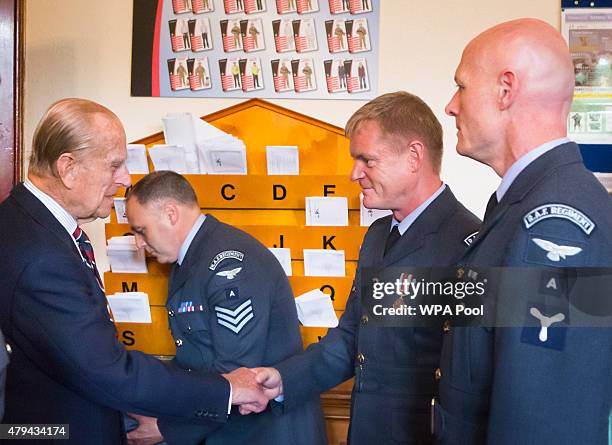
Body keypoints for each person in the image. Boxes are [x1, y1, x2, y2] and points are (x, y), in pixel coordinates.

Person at [0, 98, 267, 444]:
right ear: (67, 168)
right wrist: (227, 388)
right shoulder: (40, 253)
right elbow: (107, 370)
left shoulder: (28, 224)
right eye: (114, 165)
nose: (125, 179)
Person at [249, 92, 481, 445]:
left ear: (414, 156)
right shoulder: (378, 235)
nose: (354, 173)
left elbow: (469, 379)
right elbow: (352, 337)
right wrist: (284, 379)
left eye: (367, 160)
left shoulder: (467, 242)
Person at [436, 18, 612, 444]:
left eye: (461, 86)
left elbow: (541, 417)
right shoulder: (523, 203)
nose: (451, 105)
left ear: (505, 90)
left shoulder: (558, 221)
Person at [124, 171, 326, 445]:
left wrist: (170, 428)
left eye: (140, 230)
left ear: (171, 214)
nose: (139, 242)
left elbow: (238, 372)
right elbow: (194, 360)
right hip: (228, 429)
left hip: (264, 433)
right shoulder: (191, 260)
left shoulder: (228, 263)